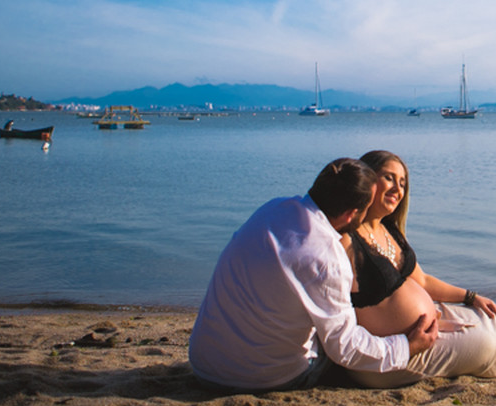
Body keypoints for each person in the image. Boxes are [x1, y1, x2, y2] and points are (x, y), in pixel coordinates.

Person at [188, 158, 439, 392]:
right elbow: (345, 348)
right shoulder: (327, 256)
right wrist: (406, 347)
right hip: (260, 379)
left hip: (204, 365)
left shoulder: (273, 209)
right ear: (352, 215)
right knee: (340, 350)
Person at [342, 150, 496, 388]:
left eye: (402, 183)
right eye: (388, 178)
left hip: (420, 331)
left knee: (485, 317)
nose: (397, 189)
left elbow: (422, 281)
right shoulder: (347, 239)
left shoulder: (389, 232)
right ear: (366, 179)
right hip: (390, 356)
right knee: (487, 343)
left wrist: (471, 297)